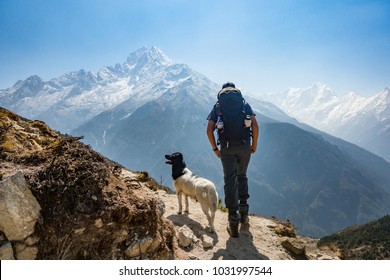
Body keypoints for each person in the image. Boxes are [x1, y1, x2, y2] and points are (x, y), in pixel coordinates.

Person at [206, 82, 259, 238]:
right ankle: (244, 215)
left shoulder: (218, 106)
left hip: (226, 148)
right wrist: (254, 145)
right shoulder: (244, 103)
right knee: (242, 177)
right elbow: (255, 126)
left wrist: (215, 149)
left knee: (230, 180)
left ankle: (233, 222)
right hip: (244, 147)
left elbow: (209, 129)